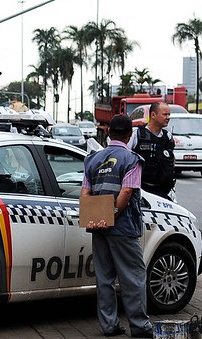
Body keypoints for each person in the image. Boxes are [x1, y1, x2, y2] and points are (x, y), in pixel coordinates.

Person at [82, 114, 153, 338]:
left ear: (109, 132)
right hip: (121, 228)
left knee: (104, 278)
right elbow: (126, 191)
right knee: (133, 277)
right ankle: (140, 326)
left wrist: (95, 218)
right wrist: (111, 214)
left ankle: (109, 325)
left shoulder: (92, 159)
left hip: (98, 226)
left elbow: (85, 193)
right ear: (129, 134)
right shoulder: (131, 159)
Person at [128, 101, 175, 200]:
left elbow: (171, 163)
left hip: (164, 193)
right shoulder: (137, 134)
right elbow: (125, 159)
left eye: (169, 114)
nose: (168, 117)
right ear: (153, 115)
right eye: (165, 114)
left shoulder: (168, 137)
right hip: (142, 192)